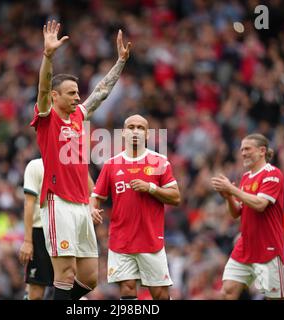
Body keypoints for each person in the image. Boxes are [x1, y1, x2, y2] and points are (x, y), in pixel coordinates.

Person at [30, 20, 131, 300]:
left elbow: (100, 93)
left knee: (89, 278)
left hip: (81, 205)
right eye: (71, 93)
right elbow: (42, 88)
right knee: (65, 274)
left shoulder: (77, 118)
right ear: (55, 96)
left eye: (77, 92)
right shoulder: (47, 118)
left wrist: (120, 62)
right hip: (58, 202)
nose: (77, 97)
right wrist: (48, 56)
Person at [90, 115, 181, 300]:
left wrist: (151, 188)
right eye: (131, 127)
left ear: (147, 134)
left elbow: (176, 197)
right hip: (121, 239)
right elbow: (96, 196)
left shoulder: (159, 162)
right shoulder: (111, 164)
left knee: (160, 294)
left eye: (140, 128)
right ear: (123, 132)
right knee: (127, 289)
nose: (135, 131)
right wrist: (92, 209)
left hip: (150, 239)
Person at [211, 133, 284, 300]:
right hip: (245, 245)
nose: (243, 153)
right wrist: (228, 197)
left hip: (268, 246)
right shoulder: (246, 177)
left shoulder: (273, 174)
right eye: (241, 149)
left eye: (247, 148)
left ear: (262, 151)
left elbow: (260, 205)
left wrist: (232, 190)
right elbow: (236, 213)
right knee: (227, 291)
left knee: (275, 298)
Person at [18, 158, 95, 300]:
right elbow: (29, 204)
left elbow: (92, 191)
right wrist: (28, 241)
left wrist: (92, 208)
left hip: (66, 229)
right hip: (40, 232)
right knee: (35, 292)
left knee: (70, 279)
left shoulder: (75, 164)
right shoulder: (35, 166)